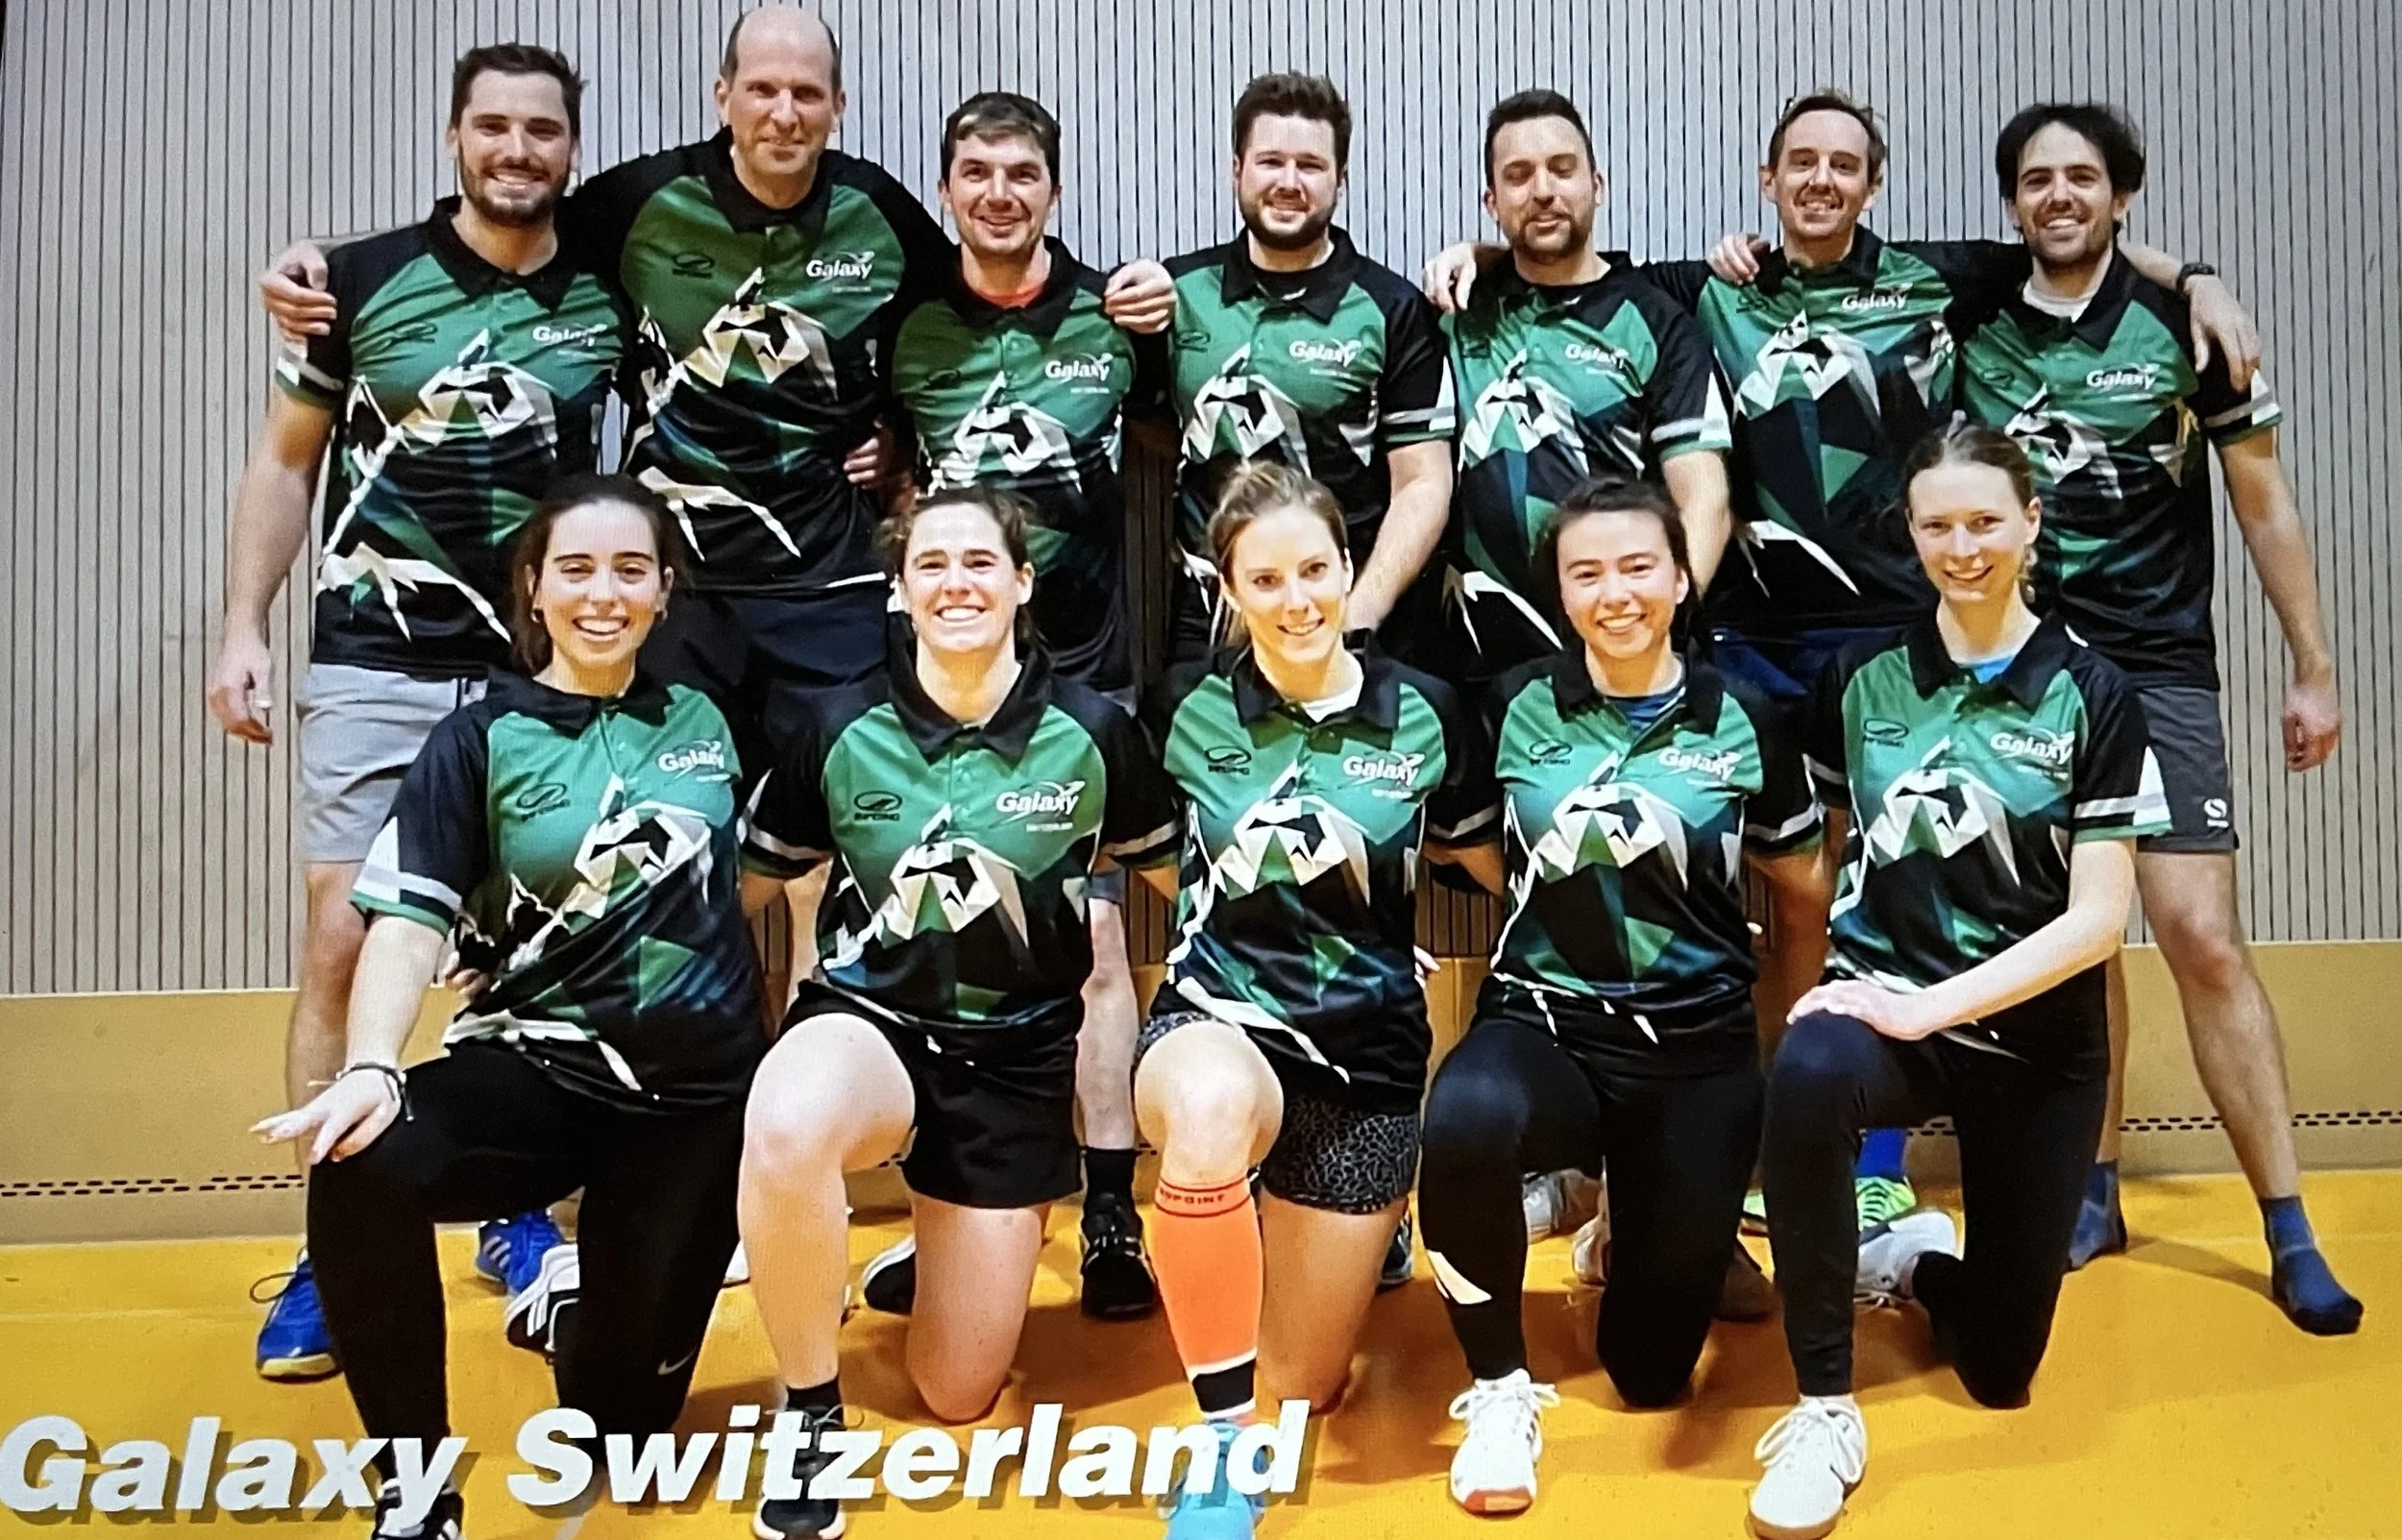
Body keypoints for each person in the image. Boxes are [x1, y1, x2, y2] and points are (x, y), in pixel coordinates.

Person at [1422, 90, 2260, 1232]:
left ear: (1873, 184)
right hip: (1746, 643)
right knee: (1732, 896)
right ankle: (1693, 1152)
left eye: (1843, 163)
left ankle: (1867, 1156)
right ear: (1765, 182)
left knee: (1878, 891)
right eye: (1799, 163)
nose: (1820, 180)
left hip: (1889, 639)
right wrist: (1475, 252)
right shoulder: (1706, 288)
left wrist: (2195, 276)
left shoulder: (1938, 279)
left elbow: (2074, 245)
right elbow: (1560, 255)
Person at [253, 7, 1174, 998]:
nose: (783, 111)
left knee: (826, 872)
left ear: (837, 106)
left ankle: (817, 1074)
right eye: (762, 89)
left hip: (829, 591)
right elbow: (505, 222)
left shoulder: (879, 212)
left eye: (806, 93)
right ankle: (693, 1079)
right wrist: (328, 262)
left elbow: (962, 313)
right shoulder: (640, 202)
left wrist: (910, 431)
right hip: (675, 599)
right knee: (688, 866)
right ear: (722, 95)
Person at [208, 43, 624, 1379]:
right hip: (374, 662)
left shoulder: (606, 283)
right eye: (493, 126)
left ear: (571, 148)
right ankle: (333, 1246)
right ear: (455, 136)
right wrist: (243, 625)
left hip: (538, 671)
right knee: (344, 943)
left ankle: (517, 1211)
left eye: (542, 131)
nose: (517, 150)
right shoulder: (358, 282)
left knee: (523, 953)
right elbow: (287, 463)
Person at [252, 476, 765, 1540]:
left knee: (622, 1430)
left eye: (630, 570)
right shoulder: (479, 737)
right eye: (575, 569)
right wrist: (373, 1065)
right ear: (533, 587)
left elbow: (761, 874)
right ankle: (416, 1492)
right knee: (361, 1157)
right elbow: (406, 921)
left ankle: (572, 1307)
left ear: (664, 591)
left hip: (693, 1105)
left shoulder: (714, 718)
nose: (603, 594)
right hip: (539, 1073)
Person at [1958, 104, 2356, 1331]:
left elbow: (2263, 503)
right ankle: (2094, 1188)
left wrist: (2312, 665)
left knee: (2199, 936)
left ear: (2120, 197)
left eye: (2081, 177)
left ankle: (2288, 1226)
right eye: (2036, 179)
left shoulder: (2189, 330)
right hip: (2027, 674)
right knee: (2076, 941)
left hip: (2160, 668)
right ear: (2011, 202)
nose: (2058, 196)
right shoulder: (1971, 312)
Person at [1747, 426, 2169, 1540]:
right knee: (1807, 1070)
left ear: (2031, 521)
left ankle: (1915, 1264)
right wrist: (1849, 986)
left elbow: (2099, 920)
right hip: (1885, 1016)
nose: (1962, 547)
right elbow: (1828, 850)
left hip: (2034, 1042)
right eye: (1937, 524)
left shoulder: (2092, 691)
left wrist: (1927, 1004)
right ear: (1911, 531)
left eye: (1985, 521)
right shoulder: (1858, 681)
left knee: (1998, 1368)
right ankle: (1823, 1409)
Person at [736, 484, 1179, 1540]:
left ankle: (943, 1251)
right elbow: (742, 892)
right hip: (871, 1026)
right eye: (929, 564)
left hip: (1015, 1060)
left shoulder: (1096, 733)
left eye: (979, 561)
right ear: (898, 590)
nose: (955, 583)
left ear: (1023, 582)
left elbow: (1174, 886)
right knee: (787, 1121)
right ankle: (809, 1413)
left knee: (956, 1393)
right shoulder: (836, 727)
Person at [1417, 476, 1825, 1517]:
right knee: (1464, 1116)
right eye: (1586, 573)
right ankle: (1499, 1389)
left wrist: (1789, 1049)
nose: (1615, 593)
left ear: (1682, 577)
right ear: (1560, 592)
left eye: (1639, 566)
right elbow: (1476, 850)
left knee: (1649, 1375)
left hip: (1696, 1050)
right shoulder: (1513, 705)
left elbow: (1799, 890)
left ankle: (1622, 1225)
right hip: (1545, 1025)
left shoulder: (1746, 716)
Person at [1130, 462, 1499, 1540]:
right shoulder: (1182, 707)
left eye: (1314, 571)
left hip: (1367, 1054)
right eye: (1265, 579)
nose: (1296, 600)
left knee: (1305, 1387)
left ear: (1347, 568)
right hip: (1219, 1022)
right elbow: (1146, 865)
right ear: (1229, 591)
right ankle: (1220, 1452)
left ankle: (1361, 1234)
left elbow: (1487, 872)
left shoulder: (1425, 712)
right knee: (1206, 1113)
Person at [858, 90, 1172, 1322]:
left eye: (1022, 173)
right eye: (976, 173)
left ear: (1053, 188)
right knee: (936, 948)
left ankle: (1109, 1214)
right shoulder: (903, 325)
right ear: (947, 189)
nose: (999, 193)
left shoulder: (1117, 315)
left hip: (1081, 679)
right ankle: (946, 1211)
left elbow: (1182, 443)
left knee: (1092, 950)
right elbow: (876, 462)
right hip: (930, 688)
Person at [1153, 72, 1456, 670]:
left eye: (1311, 166)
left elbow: (1423, 484)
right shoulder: (1177, 293)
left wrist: (1355, 616)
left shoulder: (1391, 307)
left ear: (1340, 180)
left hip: (1343, 610)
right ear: (1237, 170)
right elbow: (1148, 427)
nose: (1288, 183)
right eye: (1270, 161)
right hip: (1208, 616)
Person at [1440, 88, 1735, 694]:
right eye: (1518, 176)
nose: (1543, 191)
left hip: (1623, 659)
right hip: (1481, 660)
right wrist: (1474, 255)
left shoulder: (1655, 321)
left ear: (1597, 186)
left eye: (1562, 169)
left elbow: (1705, 501)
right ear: (1491, 202)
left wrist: (1660, 632)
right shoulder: (1454, 312)